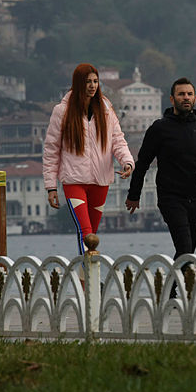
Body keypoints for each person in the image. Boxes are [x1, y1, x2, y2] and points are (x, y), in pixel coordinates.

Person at [125, 77, 196, 261]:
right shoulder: (159, 128)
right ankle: (182, 289)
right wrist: (134, 194)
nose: (186, 98)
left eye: (189, 94)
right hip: (170, 197)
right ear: (172, 99)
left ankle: (175, 289)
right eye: (181, 94)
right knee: (184, 246)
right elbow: (143, 162)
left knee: (188, 250)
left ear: (195, 99)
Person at [43, 63, 135, 255]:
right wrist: (51, 186)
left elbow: (117, 140)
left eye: (95, 81)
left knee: (93, 235)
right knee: (85, 232)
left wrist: (127, 162)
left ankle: (86, 280)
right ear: (78, 84)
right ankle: (88, 282)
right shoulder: (62, 111)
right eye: (87, 82)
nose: (92, 86)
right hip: (74, 181)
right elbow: (52, 150)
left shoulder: (106, 108)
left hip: (100, 182)